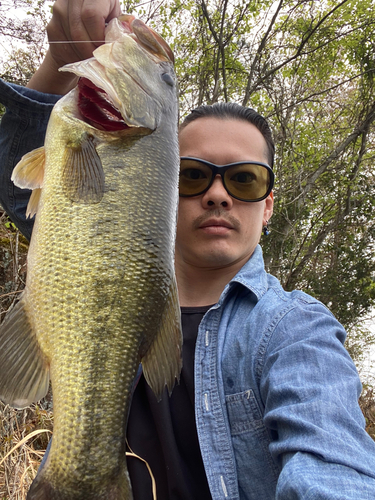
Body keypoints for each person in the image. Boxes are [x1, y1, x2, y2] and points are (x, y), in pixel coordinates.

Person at [1, 1, 375, 499]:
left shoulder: (294, 331)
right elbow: (23, 189)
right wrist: (58, 60)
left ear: (267, 207)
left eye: (245, 179)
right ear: (162, 189)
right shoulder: (96, 243)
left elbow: (334, 467)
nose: (218, 194)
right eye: (193, 176)